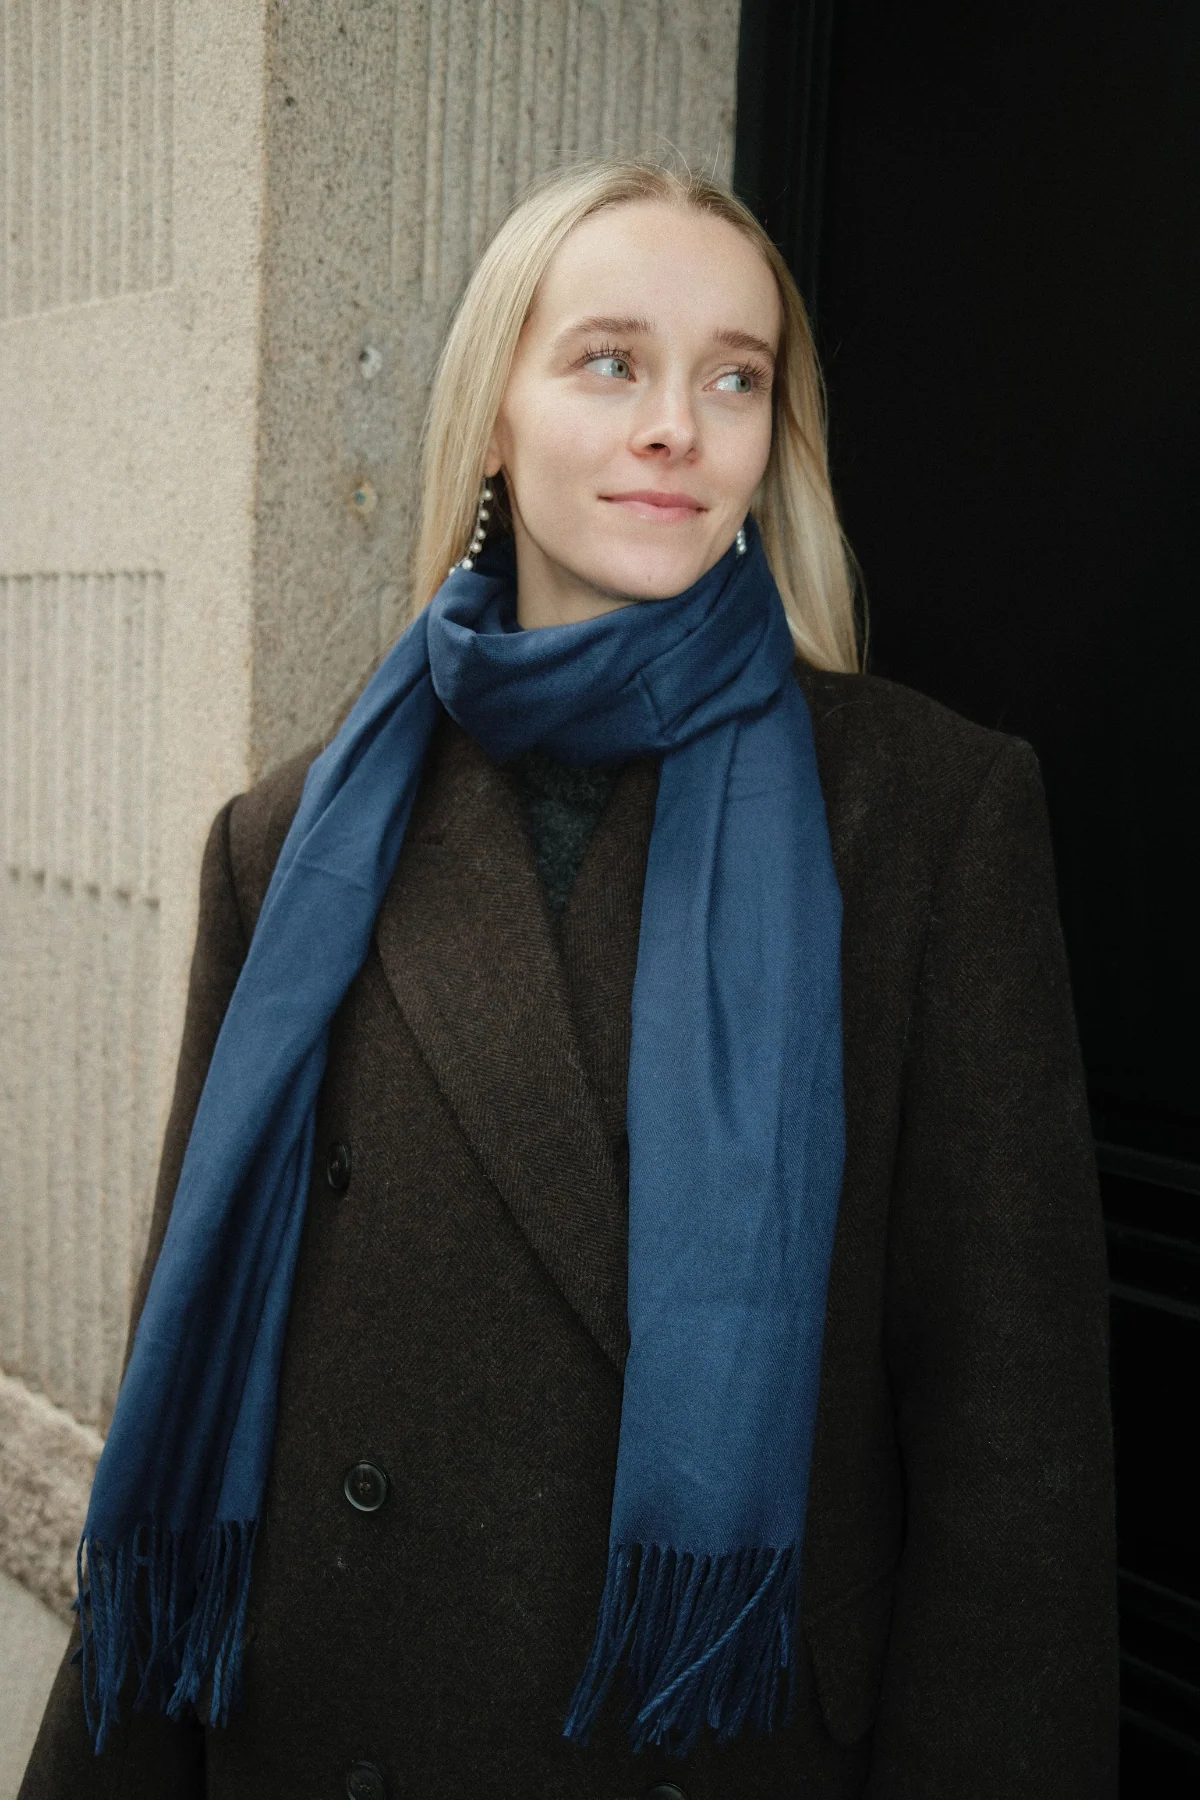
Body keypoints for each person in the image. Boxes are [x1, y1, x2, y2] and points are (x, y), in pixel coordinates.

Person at [21, 160, 1117, 1800]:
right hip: (322, 1714)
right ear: (493, 418)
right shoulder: (291, 841)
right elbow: (192, 1347)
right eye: (611, 361)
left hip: (715, 1736)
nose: (677, 425)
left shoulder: (927, 818)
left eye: (733, 378)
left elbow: (1011, 1452)